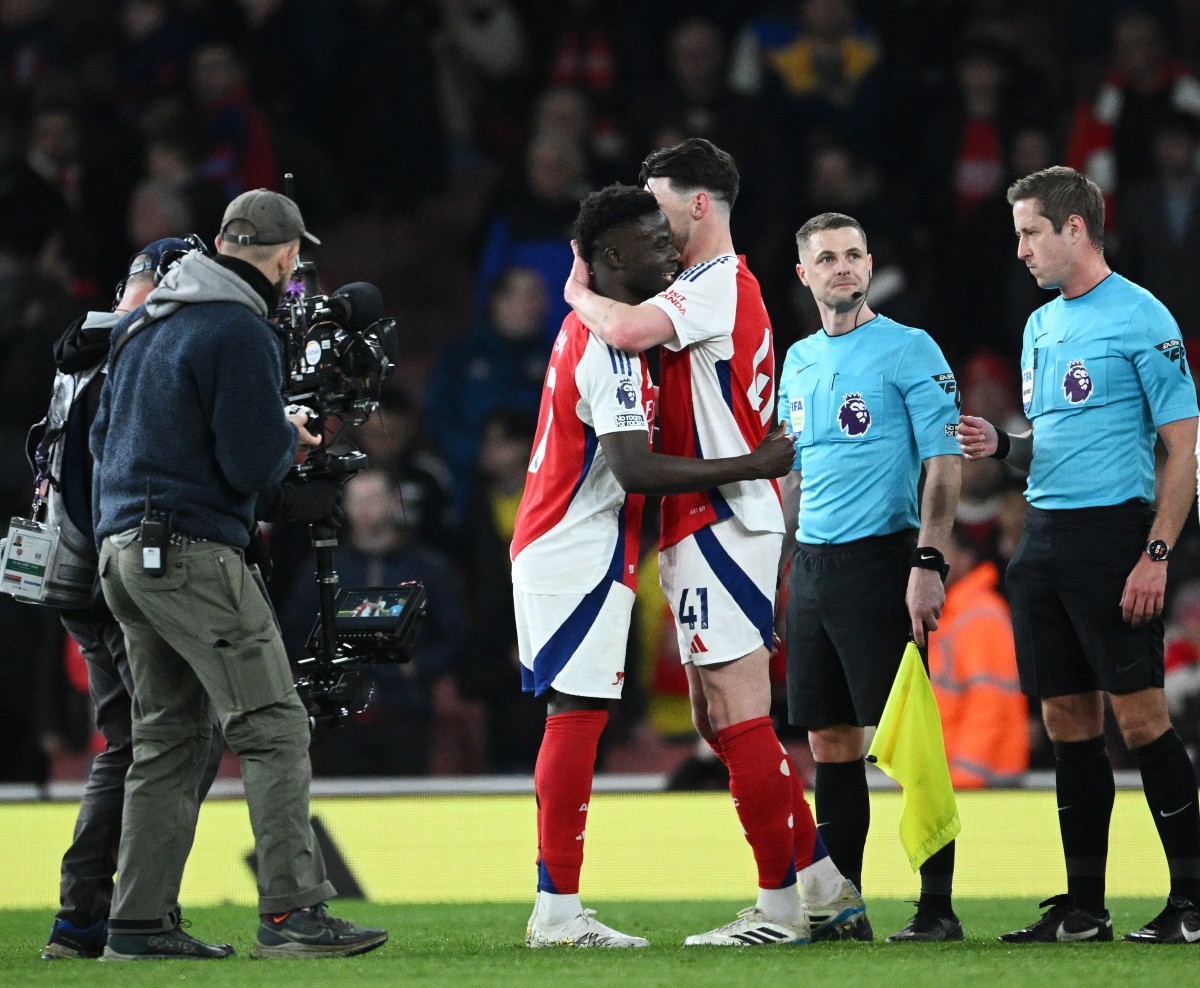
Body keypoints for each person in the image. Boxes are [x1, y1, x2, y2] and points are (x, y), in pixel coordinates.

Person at [563, 141, 865, 947]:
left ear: (699, 204)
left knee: (738, 711)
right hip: (711, 516)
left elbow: (624, 329)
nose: (651, 221)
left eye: (660, 203)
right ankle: (826, 886)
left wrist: (576, 290)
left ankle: (781, 909)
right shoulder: (714, 287)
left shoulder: (714, 283)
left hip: (727, 515)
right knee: (714, 714)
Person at [88, 189, 386, 960]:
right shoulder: (237, 327)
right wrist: (292, 438)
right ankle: (292, 914)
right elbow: (251, 462)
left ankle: (138, 922)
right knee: (274, 725)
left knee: (169, 737)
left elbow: (102, 438)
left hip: (123, 551)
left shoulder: (145, 321)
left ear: (221, 240)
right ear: (287, 258)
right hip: (190, 552)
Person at [958, 165, 1200, 945]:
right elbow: (1054, 444)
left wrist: (1157, 552)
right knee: (1066, 722)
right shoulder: (1038, 326)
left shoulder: (1142, 315)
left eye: (1031, 232)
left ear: (1074, 230)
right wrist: (1004, 446)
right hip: (1043, 538)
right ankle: (1084, 907)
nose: (1021, 248)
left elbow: (1184, 446)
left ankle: (1193, 902)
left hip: (1113, 540)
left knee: (1141, 718)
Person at [778, 211, 964, 942]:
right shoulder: (797, 361)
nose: (842, 268)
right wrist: (776, 568)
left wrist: (928, 560)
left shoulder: (909, 349)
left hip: (884, 560)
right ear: (805, 274)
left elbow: (944, 464)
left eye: (853, 255)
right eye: (826, 258)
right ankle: (842, 907)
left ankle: (937, 907)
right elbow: (793, 477)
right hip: (814, 569)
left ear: (869, 263)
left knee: (909, 740)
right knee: (829, 743)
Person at [38, 238, 225, 960]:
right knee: (180, 741)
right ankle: (133, 914)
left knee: (131, 742)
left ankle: (85, 916)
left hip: (73, 568)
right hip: (114, 567)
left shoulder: (87, 347)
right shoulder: (128, 353)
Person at [929, 526, 1028, 788]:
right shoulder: (951, 615)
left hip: (979, 789)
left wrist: (962, 782)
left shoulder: (980, 616)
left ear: (966, 557)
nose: (929, 561)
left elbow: (988, 707)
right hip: (955, 787)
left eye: (940, 550)